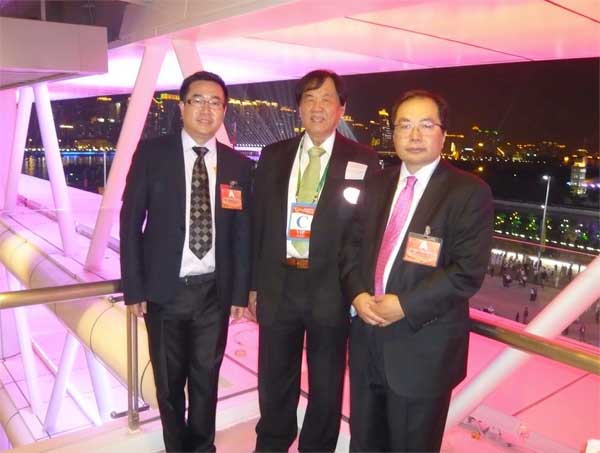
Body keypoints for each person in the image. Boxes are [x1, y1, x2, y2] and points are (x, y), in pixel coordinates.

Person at [340, 90, 493, 452]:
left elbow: (467, 271)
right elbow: (352, 248)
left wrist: (405, 305)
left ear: (443, 134)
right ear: (392, 133)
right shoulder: (377, 182)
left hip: (422, 348)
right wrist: (357, 294)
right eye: (403, 125)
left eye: (426, 125)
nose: (413, 135)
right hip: (367, 341)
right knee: (364, 443)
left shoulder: (468, 192)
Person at [120, 71, 253, 452]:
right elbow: (130, 222)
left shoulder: (238, 166)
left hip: (213, 292)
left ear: (224, 110)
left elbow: (242, 234)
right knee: (168, 382)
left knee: (206, 379)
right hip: (165, 290)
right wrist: (134, 288)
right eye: (198, 100)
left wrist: (240, 294)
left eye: (216, 102)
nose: (206, 109)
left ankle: (203, 448)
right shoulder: (152, 153)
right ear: (182, 106)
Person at [250, 69, 379, 452]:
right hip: (278, 283)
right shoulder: (274, 155)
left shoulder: (364, 159)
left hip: (330, 289)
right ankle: (272, 444)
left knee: (326, 384)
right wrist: (254, 285)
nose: (317, 107)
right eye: (309, 98)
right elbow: (258, 223)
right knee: (274, 379)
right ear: (299, 108)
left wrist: (356, 290)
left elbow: (364, 233)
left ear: (342, 108)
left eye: (326, 99)